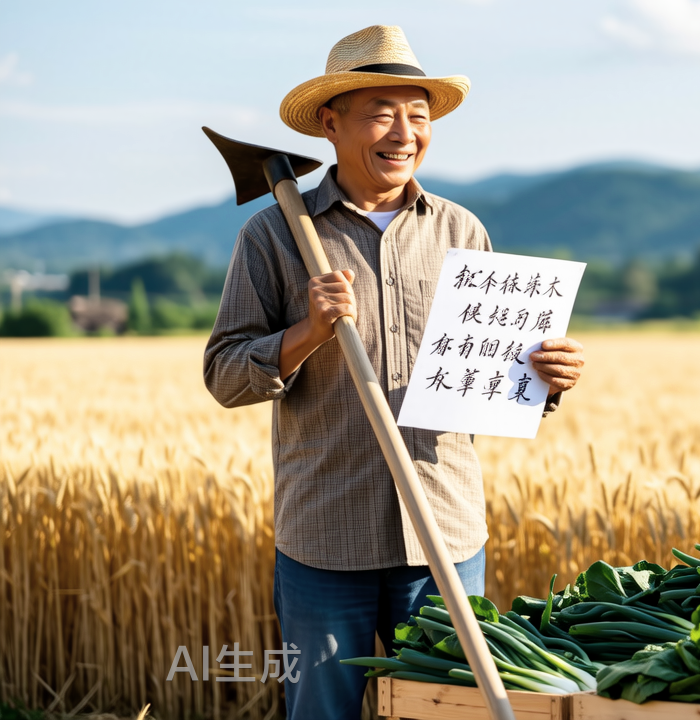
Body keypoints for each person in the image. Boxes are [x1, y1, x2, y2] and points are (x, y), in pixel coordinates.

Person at [203, 25, 586, 720]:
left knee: (447, 711)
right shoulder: (274, 235)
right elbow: (225, 375)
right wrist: (305, 335)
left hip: (445, 534)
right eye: (381, 111)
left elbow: (490, 382)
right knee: (323, 713)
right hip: (326, 540)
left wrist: (544, 378)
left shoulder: (462, 231)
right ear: (331, 121)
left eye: (418, 114)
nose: (404, 131)